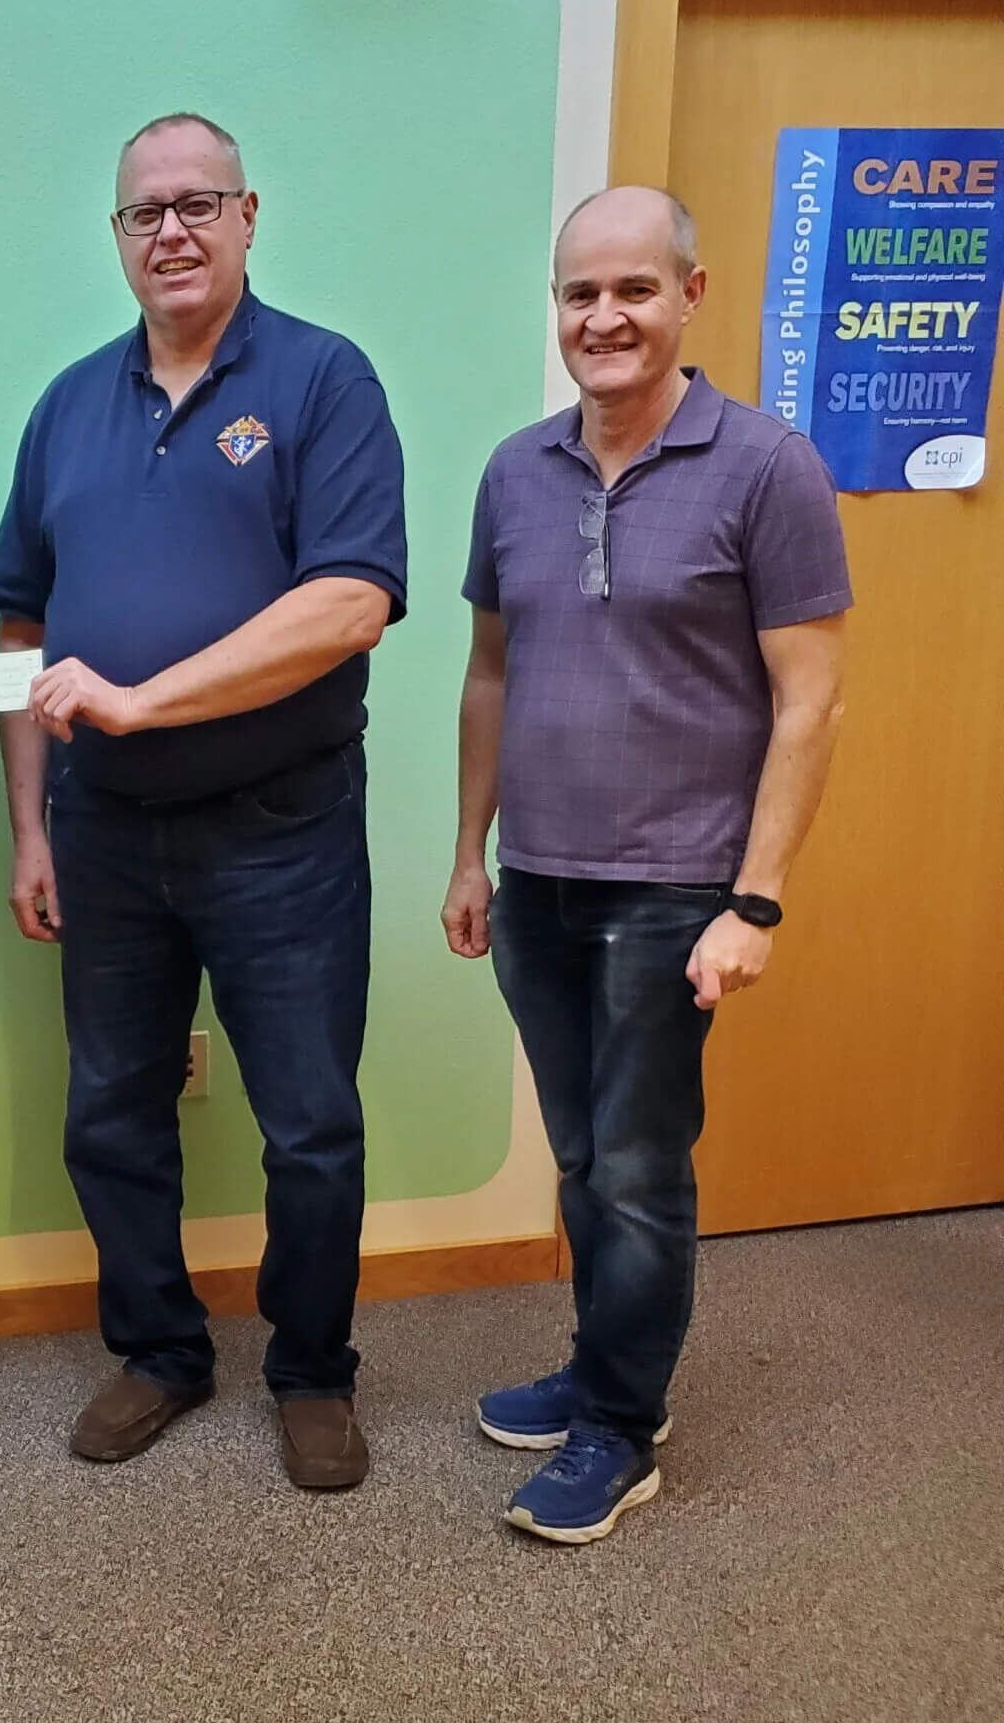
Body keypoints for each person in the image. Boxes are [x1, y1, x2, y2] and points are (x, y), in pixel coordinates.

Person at [0, 114, 407, 1489]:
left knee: (308, 1123)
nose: (170, 230)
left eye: (197, 205)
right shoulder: (65, 406)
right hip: (104, 832)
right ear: (116, 237)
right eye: (143, 212)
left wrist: (146, 700)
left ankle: (311, 1369)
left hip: (279, 829)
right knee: (109, 1105)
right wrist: (35, 822)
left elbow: (348, 604)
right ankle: (161, 1348)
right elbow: (22, 626)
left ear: (246, 216)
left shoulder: (322, 380)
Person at [442, 185, 850, 1544]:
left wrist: (757, 897)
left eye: (632, 290)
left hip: (678, 887)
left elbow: (811, 699)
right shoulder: (516, 469)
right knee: (581, 1150)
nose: (603, 318)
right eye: (579, 295)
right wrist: (466, 852)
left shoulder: (766, 466)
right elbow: (488, 676)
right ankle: (605, 1367)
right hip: (539, 877)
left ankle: (621, 1425)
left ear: (692, 293)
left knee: (637, 1160)